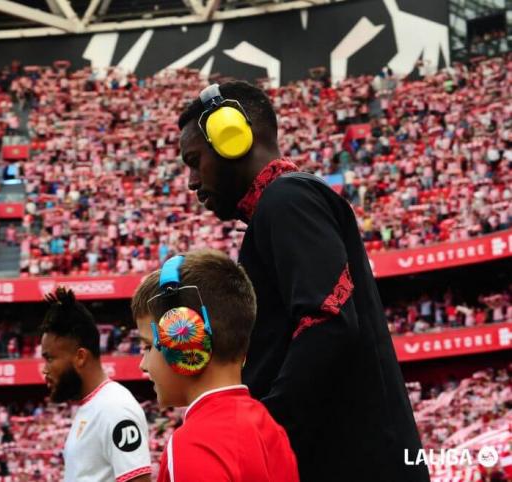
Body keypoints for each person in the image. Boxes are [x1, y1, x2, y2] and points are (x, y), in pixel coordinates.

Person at [177, 81, 430, 482]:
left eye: (194, 160)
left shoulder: (287, 199)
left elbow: (328, 323)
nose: (191, 181)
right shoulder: (284, 204)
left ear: (232, 137)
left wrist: (264, 428)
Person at [131, 250, 299, 482]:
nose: (143, 365)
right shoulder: (271, 429)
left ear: (186, 342)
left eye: (148, 346)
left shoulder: (192, 445)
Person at [40, 287, 151, 482]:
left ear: (80, 357)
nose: (45, 370)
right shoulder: (93, 406)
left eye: (49, 358)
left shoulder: (115, 408)